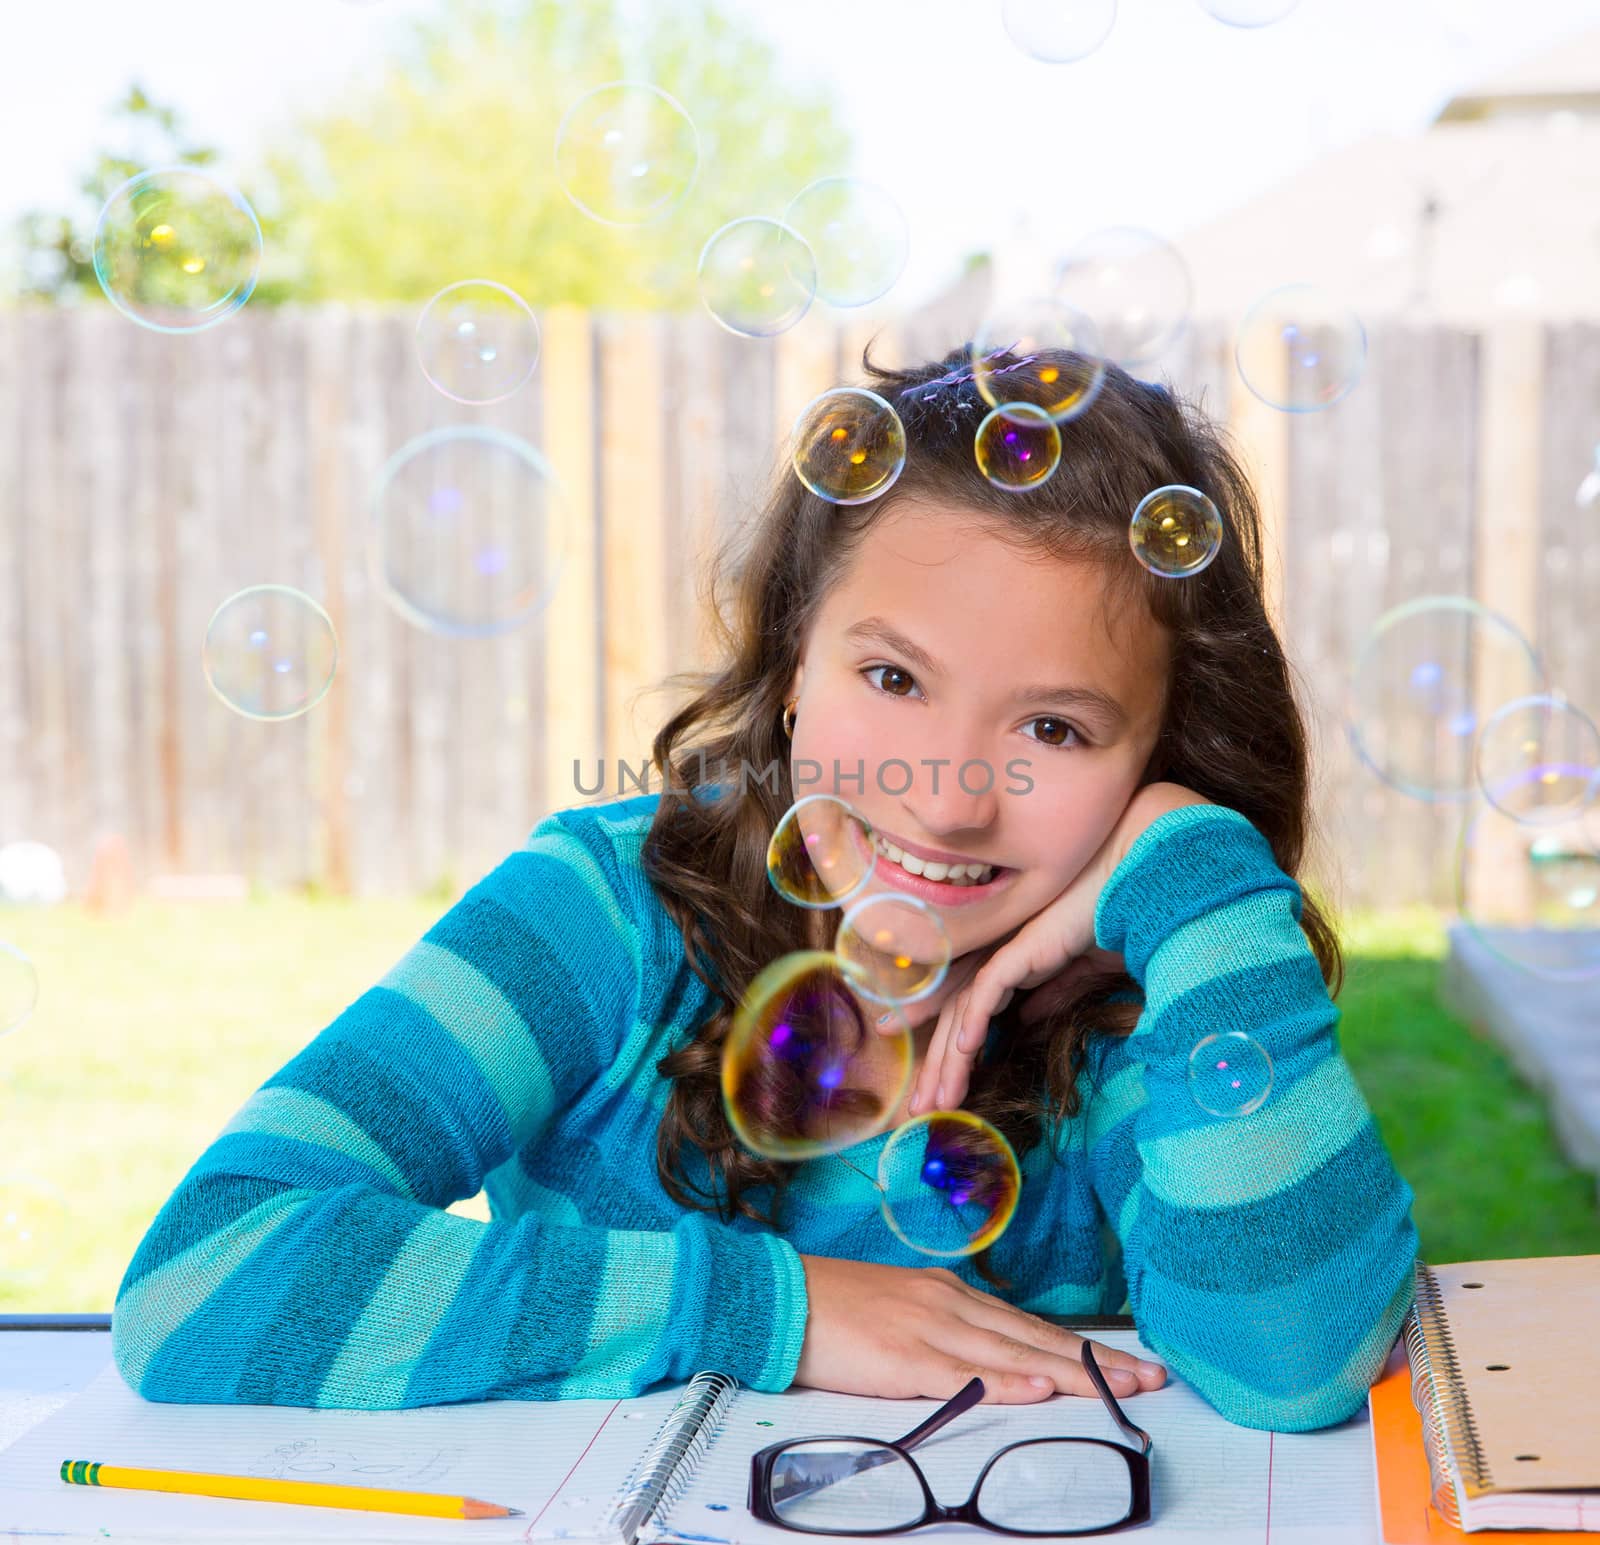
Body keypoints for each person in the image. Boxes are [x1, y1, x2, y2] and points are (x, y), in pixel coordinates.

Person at [110, 343, 1419, 1432]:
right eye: (895, 679)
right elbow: (204, 1273)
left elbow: (1293, 1362)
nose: (950, 795)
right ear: (793, 661)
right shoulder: (603, 912)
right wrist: (768, 1304)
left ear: (1156, 757)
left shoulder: (1145, 993)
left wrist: (1198, 877)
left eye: (1058, 731)